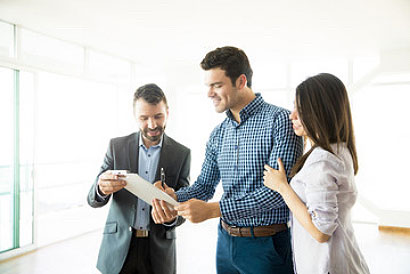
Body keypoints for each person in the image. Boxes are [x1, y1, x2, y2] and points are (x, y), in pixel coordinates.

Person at [152, 46, 303, 274]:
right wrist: (173, 196)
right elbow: (204, 186)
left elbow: (279, 193)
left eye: (217, 85)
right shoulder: (218, 134)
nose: (209, 93)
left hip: (266, 246)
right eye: (208, 86)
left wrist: (214, 210)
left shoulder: (280, 121)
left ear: (241, 81)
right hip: (225, 243)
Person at [263, 73, 370, 274]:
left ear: (320, 112)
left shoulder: (321, 161)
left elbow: (321, 232)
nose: (291, 116)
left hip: (328, 266)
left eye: (300, 110)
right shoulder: (339, 149)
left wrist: (282, 187)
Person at [87, 83, 191, 274]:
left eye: (158, 116)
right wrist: (101, 188)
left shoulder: (181, 153)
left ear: (167, 112)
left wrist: (171, 217)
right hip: (119, 249)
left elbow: (183, 204)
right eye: (144, 118)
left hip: (158, 252)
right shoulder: (116, 146)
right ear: (135, 116)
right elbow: (93, 199)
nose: (152, 125)